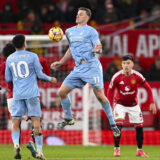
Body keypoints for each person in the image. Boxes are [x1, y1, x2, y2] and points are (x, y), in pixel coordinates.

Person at [50, 7, 120, 137]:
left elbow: (97, 46)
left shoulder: (91, 31)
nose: (77, 16)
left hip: (91, 66)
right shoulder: (69, 32)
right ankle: (69, 118)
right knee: (61, 92)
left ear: (87, 17)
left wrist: (98, 49)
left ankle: (113, 124)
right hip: (78, 69)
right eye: (77, 14)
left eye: (80, 14)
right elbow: (71, 49)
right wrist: (61, 62)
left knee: (99, 95)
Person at [5, 34, 57, 160]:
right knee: (36, 123)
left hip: (17, 94)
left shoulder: (9, 58)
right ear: (25, 43)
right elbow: (40, 74)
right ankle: (39, 151)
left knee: (16, 122)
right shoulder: (33, 56)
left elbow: (8, 78)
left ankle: (17, 145)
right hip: (32, 94)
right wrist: (51, 79)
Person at [107, 55, 157, 157]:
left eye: (128, 63)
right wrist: (109, 106)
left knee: (139, 127)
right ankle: (116, 149)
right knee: (118, 125)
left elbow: (148, 87)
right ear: (121, 65)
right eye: (124, 63)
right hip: (120, 103)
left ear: (132, 64)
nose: (126, 65)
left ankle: (139, 150)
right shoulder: (116, 76)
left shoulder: (137, 75)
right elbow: (110, 91)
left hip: (133, 105)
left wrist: (152, 102)